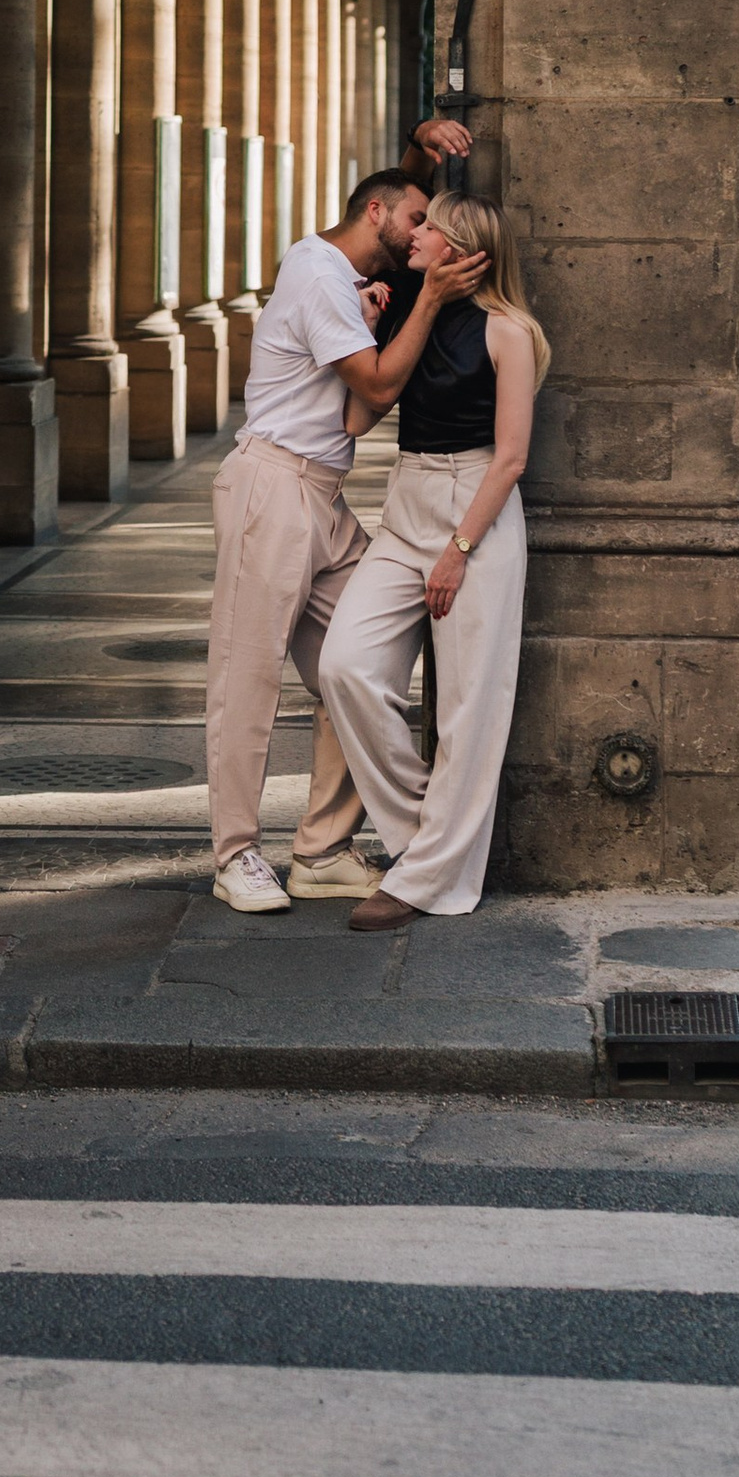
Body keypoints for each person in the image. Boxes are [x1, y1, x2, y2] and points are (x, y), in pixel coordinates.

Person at [204, 150, 486, 915]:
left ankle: (323, 848)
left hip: (322, 497)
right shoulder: (318, 270)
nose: (424, 231)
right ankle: (234, 855)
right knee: (247, 677)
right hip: (273, 487)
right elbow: (379, 385)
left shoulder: (344, 285)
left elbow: (361, 404)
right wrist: (427, 299)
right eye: (416, 218)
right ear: (376, 214)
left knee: (360, 663)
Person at [318, 194, 546, 926]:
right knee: (345, 666)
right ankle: (432, 841)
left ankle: (426, 880)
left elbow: (511, 458)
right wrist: (376, 327)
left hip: (474, 505)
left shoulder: (509, 331)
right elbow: (358, 416)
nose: (413, 234)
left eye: (428, 226)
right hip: (408, 494)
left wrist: (459, 550)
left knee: (468, 707)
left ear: (463, 247)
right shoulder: (413, 306)